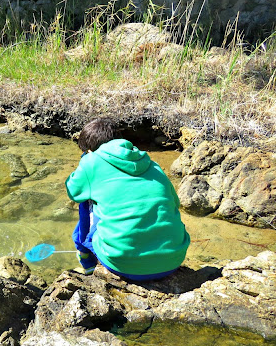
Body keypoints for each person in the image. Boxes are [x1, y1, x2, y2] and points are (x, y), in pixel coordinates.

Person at [65, 118, 190, 281]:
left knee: (86, 200)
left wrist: (85, 162)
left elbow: (72, 191)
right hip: (173, 259)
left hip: (123, 263)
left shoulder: (91, 161)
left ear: (89, 150)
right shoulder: (152, 164)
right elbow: (175, 203)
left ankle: (86, 257)